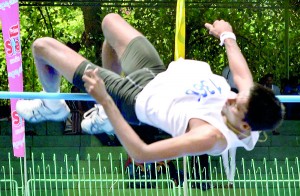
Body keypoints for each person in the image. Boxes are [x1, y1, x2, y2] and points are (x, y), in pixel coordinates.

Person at [16, 13, 284, 163]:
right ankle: (102, 115)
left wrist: (107, 103)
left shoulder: (212, 137)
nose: (230, 99)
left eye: (235, 105)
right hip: (155, 73)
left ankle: (52, 106)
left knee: (42, 46)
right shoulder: (249, 101)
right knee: (110, 23)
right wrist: (226, 35)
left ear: (245, 127)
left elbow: (142, 155)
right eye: (236, 95)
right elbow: (241, 73)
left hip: (134, 98)